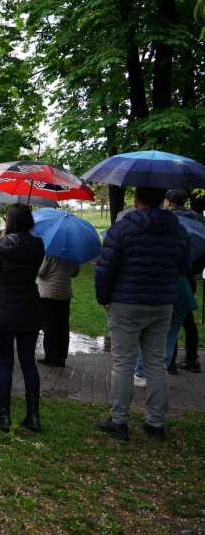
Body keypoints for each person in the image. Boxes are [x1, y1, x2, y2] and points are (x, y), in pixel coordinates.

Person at [95, 186, 189, 441]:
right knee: (156, 364)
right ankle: (155, 424)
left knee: (124, 364)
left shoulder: (122, 228)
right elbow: (184, 264)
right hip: (162, 304)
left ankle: (119, 422)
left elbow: (105, 268)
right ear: (163, 201)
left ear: (136, 200)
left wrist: (103, 298)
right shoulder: (178, 230)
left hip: (126, 303)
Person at [0, 204, 46, 432]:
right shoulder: (38, 245)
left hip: (5, 309)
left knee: (4, 363)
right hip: (29, 308)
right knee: (28, 362)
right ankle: (33, 416)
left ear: (9, 221)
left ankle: (3, 416)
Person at [163, 190, 205, 373]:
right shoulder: (197, 220)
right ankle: (191, 360)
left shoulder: (167, 221)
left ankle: (170, 364)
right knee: (187, 320)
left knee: (169, 322)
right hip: (191, 276)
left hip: (174, 276)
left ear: (168, 202)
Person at [36, 255, 81, 368]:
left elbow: (41, 272)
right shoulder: (74, 254)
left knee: (49, 325)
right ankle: (61, 357)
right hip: (64, 293)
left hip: (47, 292)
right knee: (63, 325)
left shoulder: (51, 252)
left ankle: (51, 357)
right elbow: (74, 273)